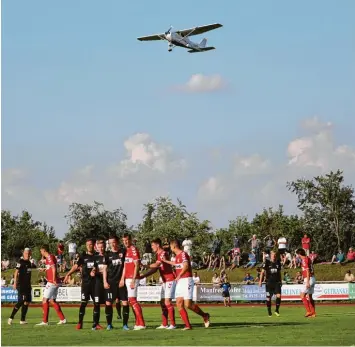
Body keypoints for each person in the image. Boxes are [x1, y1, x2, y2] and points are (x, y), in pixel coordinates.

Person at [162, 239, 210, 330]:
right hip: (180, 281)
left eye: (170, 246)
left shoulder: (183, 254)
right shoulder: (177, 257)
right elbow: (176, 263)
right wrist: (166, 261)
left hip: (186, 280)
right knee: (179, 304)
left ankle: (205, 315)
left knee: (188, 304)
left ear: (174, 246)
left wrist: (179, 275)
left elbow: (186, 266)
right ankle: (188, 325)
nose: (170, 248)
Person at [141, 238, 176, 329]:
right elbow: (155, 269)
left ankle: (173, 324)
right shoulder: (158, 254)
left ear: (157, 245)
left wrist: (145, 265)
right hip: (164, 281)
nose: (152, 248)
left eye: (152, 245)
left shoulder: (163, 253)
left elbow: (156, 265)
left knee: (167, 302)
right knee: (162, 302)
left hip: (170, 280)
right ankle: (164, 324)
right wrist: (144, 275)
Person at [64, 239, 96, 330]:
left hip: (95, 284)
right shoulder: (83, 256)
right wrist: (68, 274)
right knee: (83, 303)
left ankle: (96, 323)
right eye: (88, 244)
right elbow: (75, 266)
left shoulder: (97, 256)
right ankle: (80, 323)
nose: (90, 246)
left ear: (93, 245)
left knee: (96, 304)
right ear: (86, 246)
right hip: (85, 284)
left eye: (91, 244)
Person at [36, 245, 66, 326]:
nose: (41, 252)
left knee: (44, 300)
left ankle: (45, 321)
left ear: (44, 250)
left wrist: (53, 279)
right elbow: (51, 267)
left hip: (52, 282)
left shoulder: (49, 257)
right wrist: (44, 269)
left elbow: (54, 268)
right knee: (52, 301)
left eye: (41, 251)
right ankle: (62, 319)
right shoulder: (51, 257)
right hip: (55, 281)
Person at [105, 235, 130, 331]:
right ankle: (109, 324)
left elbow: (125, 266)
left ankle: (125, 325)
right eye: (110, 243)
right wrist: (105, 281)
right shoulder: (107, 254)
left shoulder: (123, 252)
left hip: (121, 282)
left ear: (117, 242)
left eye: (114, 242)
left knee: (125, 302)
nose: (112, 244)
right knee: (108, 303)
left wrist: (122, 279)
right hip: (111, 282)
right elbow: (105, 269)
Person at [122, 233, 146, 330]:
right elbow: (125, 266)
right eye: (124, 241)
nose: (125, 242)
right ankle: (138, 322)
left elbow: (137, 264)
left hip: (132, 278)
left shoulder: (133, 249)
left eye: (127, 240)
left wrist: (133, 279)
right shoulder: (126, 250)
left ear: (130, 240)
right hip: (128, 277)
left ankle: (142, 323)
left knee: (132, 300)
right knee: (131, 301)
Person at [8, 248, 36, 325]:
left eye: (29, 253)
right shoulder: (20, 262)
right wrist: (14, 283)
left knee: (26, 302)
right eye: (26, 253)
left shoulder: (29, 262)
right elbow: (16, 273)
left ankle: (22, 320)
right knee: (21, 301)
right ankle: (11, 317)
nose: (27, 254)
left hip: (27, 286)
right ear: (23, 253)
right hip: (21, 285)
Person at [91, 240, 109, 330]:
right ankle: (95, 324)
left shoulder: (108, 256)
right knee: (96, 303)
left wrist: (102, 271)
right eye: (99, 247)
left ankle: (109, 324)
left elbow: (110, 269)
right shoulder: (95, 257)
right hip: (97, 283)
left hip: (107, 283)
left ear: (105, 246)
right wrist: (93, 271)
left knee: (108, 303)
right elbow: (94, 269)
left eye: (102, 247)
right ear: (97, 247)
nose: (101, 248)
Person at [259, 251, 282, 317]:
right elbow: (262, 272)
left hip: (277, 282)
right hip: (269, 283)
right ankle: (269, 311)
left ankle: (277, 310)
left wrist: (280, 281)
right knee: (268, 298)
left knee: (279, 296)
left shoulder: (278, 262)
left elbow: (279, 273)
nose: (274, 256)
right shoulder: (267, 262)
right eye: (273, 255)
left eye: (275, 255)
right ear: (270, 255)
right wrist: (260, 281)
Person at [296, 248, 316, 318]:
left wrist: (307, 281)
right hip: (313, 278)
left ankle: (308, 311)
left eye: (297, 255)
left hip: (309, 279)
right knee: (310, 297)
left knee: (302, 295)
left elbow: (307, 270)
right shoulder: (308, 258)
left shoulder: (304, 260)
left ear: (299, 254)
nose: (297, 256)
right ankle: (313, 313)